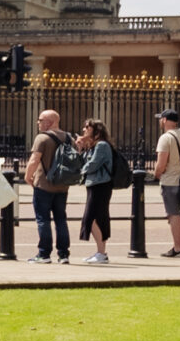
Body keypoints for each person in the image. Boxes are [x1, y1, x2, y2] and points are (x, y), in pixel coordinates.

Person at [26, 109, 77, 264]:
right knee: (61, 219)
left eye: (41, 120)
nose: (38, 122)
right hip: (62, 185)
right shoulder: (69, 138)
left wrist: (28, 176)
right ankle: (63, 254)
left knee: (43, 219)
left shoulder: (42, 138)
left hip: (44, 184)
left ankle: (44, 254)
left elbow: (34, 159)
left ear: (49, 122)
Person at [153, 108, 180, 259]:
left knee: (173, 216)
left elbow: (161, 164)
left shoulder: (165, 138)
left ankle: (177, 248)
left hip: (171, 181)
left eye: (161, 119)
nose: (160, 121)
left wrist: (156, 175)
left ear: (165, 120)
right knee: (178, 216)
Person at [77, 119, 118, 265]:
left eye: (87, 128)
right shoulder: (94, 146)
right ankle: (100, 252)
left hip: (101, 185)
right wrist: (81, 148)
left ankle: (102, 253)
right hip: (93, 184)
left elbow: (93, 164)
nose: (84, 130)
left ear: (96, 131)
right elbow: (84, 161)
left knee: (95, 218)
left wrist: (79, 171)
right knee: (94, 217)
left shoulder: (102, 145)